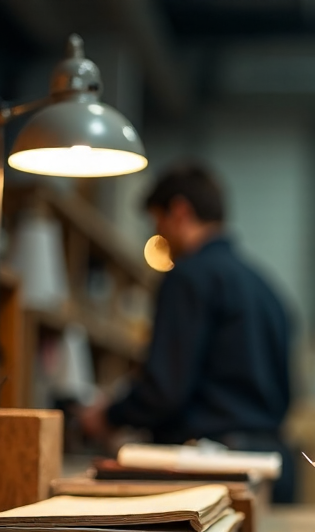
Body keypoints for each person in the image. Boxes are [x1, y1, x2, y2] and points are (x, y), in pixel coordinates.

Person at [80, 164, 297, 503]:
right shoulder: (267, 287)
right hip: (272, 464)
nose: (160, 239)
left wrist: (107, 416)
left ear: (179, 211)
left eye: (158, 224)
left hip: (213, 469)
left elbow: (164, 390)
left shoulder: (189, 277)